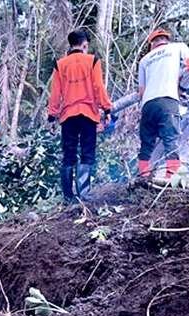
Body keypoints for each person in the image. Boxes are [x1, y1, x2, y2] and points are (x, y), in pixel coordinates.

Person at [47, 29, 112, 202]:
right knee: (87, 152)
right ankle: (83, 194)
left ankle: (68, 197)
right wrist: (107, 109)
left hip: (68, 116)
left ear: (71, 44)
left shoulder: (60, 65)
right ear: (84, 44)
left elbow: (55, 93)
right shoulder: (92, 61)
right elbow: (99, 87)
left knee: (68, 154)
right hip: (88, 114)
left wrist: (52, 116)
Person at [137, 28, 189, 179]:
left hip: (148, 104)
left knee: (146, 145)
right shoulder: (178, 47)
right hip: (168, 100)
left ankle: (144, 179)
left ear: (152, 44)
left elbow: (141, 91)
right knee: (170, 141)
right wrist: (182, 88)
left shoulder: (144, 60)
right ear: (167, 40)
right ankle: (171, 180)